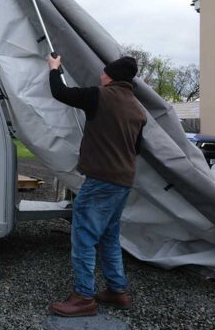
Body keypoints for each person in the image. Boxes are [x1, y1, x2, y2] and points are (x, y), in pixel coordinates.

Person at [46, 54, 147, 317]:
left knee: (84, 237)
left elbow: (61, 93)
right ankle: (117, 290)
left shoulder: (99, 96)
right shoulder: (137, 109)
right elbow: (137, 148)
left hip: (101, 180)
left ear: (111, 77)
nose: (100, 76)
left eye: (104, 73)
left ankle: (83, 297)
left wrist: (54, 68)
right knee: (109, 237)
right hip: (123, 182)